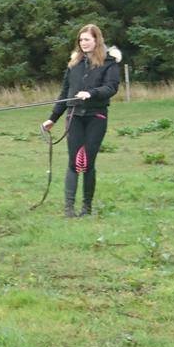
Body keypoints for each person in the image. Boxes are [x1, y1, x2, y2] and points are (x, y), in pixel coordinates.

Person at [42, 24, 122, 217]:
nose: (83, 43)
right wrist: (52, 118)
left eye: (87, 39)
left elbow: (111, 88)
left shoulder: (109, 63)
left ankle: (86, 207)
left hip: (97, 116)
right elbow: (65, 93)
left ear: (97, 40)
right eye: (81, 40)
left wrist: (91, 93)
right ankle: (69, 208)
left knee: (87, 162)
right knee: (73, 161)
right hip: (74, 116)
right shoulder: (74, 64)